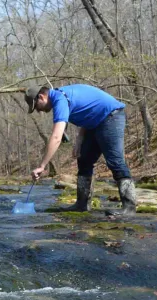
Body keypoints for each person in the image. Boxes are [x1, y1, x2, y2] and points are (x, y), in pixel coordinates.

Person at [25, 84, 136, 217]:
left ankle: (129, 207)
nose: (38, 111)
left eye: (36, 106)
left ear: (41, 97)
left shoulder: (60, 100)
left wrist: (42, 166)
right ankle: (82, 205)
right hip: (94, 123)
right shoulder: (62, 97)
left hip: (111, 116)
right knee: (84, 159)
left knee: (115, 162)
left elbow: (56, 137)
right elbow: (88, 111)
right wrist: (80, 139)